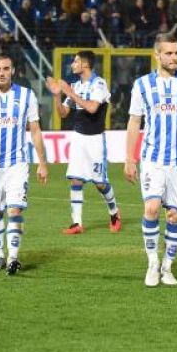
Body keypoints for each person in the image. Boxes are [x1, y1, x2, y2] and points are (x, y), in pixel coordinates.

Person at [124, 34, 177, 287]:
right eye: (169, 53)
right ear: (157, 55)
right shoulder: (142, 85)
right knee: (151, 208)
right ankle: (152, 263)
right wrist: (129, 157)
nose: (174, 58)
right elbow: (134, 121)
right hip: (152, 158)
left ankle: (167, 267)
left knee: (173, 215)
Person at [0, 53, 49, 275]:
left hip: (18, 162)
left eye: (6, 68)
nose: (2, 73)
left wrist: (42, 163)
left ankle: (13, 257)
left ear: (13, 70)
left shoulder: (26, 96)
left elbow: (35, 130)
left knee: (15, 208)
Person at [46, 50, 121, 234]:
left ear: (85, 64)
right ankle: (77, 223)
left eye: (76, 61)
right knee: (76, 180)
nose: (72, 64)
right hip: (79, 138)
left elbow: (93, 108)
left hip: (95, 139)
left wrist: (70, 92)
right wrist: (57, 95)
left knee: (100, 183)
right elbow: (63, 114)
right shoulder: (76, 86)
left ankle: (114, 213)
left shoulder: (99, 84)